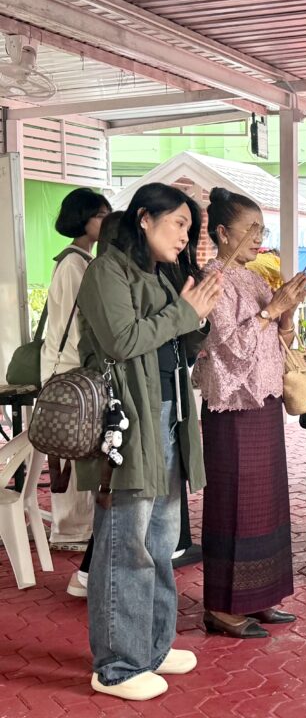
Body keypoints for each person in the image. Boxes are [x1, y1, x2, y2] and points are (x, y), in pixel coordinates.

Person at [76, 183, 222, 701]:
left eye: (190, 228)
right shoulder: (107, 271)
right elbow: (122, 340)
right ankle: (117, 666)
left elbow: (177, 341)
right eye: (179, 223)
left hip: (168, 415)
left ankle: (152, 648)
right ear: (144, 218)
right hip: (129, 423)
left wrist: (198, 315)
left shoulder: (161, 273)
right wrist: (183, 313)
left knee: (161, 541)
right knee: (126, 544)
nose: (186, 237)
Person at [192, 187, 306, 638]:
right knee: (233, 502)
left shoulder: (256, 278)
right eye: (251, 228)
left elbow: (278, 344)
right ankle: (222, 607)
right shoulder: (212, 279)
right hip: (232, 407)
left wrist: (286, 314)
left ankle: (258, 597)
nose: (259, 237)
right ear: (222, 233)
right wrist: (270, 312)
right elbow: (230, 346)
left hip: (264, 401)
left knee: (266, 502)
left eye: (262, 228)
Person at [41, 189, 110, 578]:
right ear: (83, 218)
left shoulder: (81, 261)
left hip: (73, 370)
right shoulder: (74, 264)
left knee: (77, 447)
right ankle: (71, 530)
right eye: (100, 214)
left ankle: (77, 528)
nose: (106, 221)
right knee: (71, 447)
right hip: (69, 371)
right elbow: (74, 322)